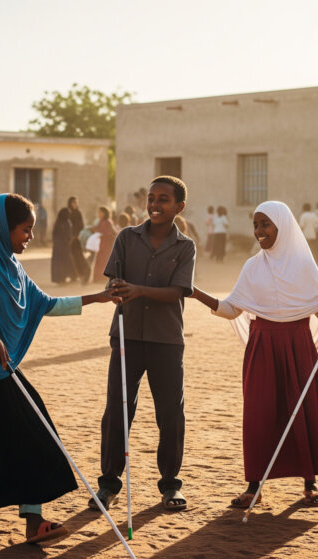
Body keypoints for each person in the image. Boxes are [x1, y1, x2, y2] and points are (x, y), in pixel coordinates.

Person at [0, 193, 116, 544]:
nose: (29, 237)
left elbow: (45, 304)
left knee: (36, 434)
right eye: (24, 230)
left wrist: (98, 298)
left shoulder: (13, 265)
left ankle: (34, 520)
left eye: (32, 230)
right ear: (3, 227)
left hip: (0, 369)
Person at [190, 201, 318, 509]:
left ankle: (309, 484)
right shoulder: (252, 267)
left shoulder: (304, 265)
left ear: (282, 226)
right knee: (259, 416)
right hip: (262, 348)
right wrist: (194, 292)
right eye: (256, 225)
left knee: (301, 411)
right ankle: (254, 486)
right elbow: (231, 309)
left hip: (299, 347)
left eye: (265, 224)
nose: (259, 231)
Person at [91, 175, 197, 512]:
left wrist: (138, 290)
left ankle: (170, 486)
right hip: (126, 336)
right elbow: (113, 280)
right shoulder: (126, 237)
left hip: (166, 340)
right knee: (117, 411)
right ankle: (108, 485)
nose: (154, 205)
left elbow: (178, 292)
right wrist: (118, 289)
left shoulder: (185, 247)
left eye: (163, 199)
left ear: (179, 206)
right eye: (152, 198)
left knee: (170, 414)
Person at [67, 197, 91, 284]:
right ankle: (73, 276)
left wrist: (76, 236)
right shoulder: (68, 213)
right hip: (69, 238)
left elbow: (81, 226)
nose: (75, 204)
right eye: (73, 203)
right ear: (70, 203)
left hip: (76, 239)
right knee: (71, 258)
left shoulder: (78, 213)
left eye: (76, 203)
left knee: (79, 257)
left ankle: (85, 273)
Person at [91, 206, 117, 283]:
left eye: (100, 212)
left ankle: (103, 279)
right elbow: (98, 229)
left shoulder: (108, 222)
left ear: (104, 213)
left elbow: (112, 233)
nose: (98, 214)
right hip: (101, 245)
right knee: (99, 261)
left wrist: (102, 234)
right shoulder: (100, 222)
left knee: (104, 261)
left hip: (107, 245)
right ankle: (98, 278)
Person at [50, 207, 75, 284]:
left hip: (61, 245)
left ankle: (62, 278)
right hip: (61, 245)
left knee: (62, 262)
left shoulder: (63, 222)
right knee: (61, 262)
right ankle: (61, 278)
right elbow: (57, 234)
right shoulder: (64, 222)